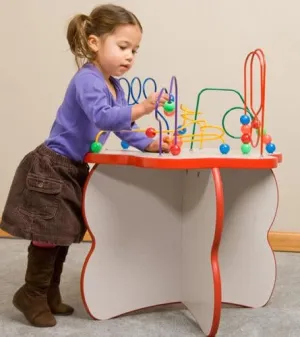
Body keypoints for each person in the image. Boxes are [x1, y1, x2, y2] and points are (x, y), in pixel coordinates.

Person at [0, 3, 170, 328]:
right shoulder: (87, 80)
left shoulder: (115, 88)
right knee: (49, 233)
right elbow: (103, 117)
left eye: (134, 50)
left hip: (73, 168)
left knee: (61, 232)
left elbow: (121, 128)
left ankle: (48, 292)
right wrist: (142, 108)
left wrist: (149, 143)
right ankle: (31, 293)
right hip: (52, 166)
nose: (130, 56)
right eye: (122, 47)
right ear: (94, 43)